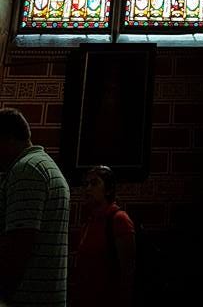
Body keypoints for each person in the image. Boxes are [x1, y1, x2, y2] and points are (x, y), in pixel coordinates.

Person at [0, 107, 70, 306]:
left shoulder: (26, 170)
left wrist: (3, 294)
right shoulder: (42, 165)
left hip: (28, 297)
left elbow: (20, 242)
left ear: (8, 139)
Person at [71, 165, 135, 307]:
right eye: (86, 184)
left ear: (109, 189)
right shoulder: (89, 222)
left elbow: (127, 271)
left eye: (94, 183)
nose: (88, 188)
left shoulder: (119, 219)